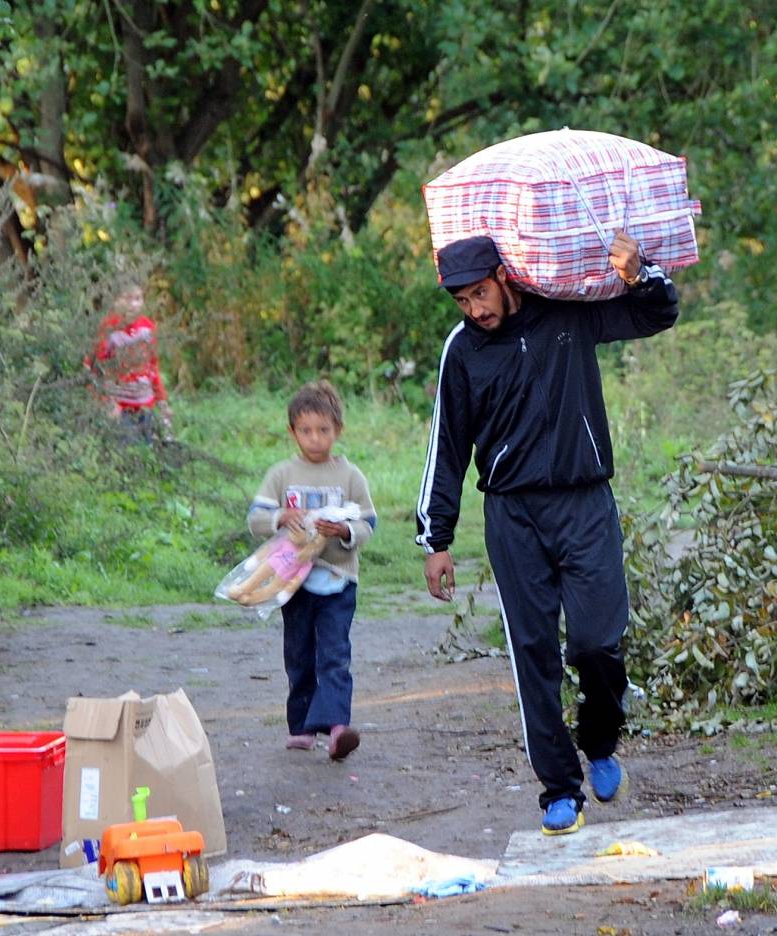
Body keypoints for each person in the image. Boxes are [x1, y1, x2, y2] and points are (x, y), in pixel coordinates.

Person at [416, 232, 679, 835]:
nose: (474, 309)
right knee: (532, 654)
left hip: (586, 504)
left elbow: (655, 313)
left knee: (596, 641)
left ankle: (601, 739)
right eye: (461, 301)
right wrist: (436, 539)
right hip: (513, 518)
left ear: (505, 276)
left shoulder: (567, 313)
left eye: (480, 293)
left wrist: (639, 272)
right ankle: (560, 789)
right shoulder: (462, 352)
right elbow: (447, 446)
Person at [247, 380, 378, 760]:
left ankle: (338, 727)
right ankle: (302, 726)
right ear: (292, 432)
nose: (315, 439)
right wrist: (280, 516)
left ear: (338, 430)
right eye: (306, 431)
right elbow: (255, 519)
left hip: (339, 581)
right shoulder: (282, 474)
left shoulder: (350, 476)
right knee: (300, 653)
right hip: (294, 582)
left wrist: (345, 530)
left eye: (324, 430)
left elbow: (369, 524)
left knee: (335, 653)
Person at [85, 283, 175, 443]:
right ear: (115, 301)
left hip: (144, 404)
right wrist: (107, 402)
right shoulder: (108, 329)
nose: (133, 305)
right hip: (119, 407)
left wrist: (161, 400)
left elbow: (152, 366)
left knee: (148, 448)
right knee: (123, 449)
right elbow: (93, 367)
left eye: (137, 299)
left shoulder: (147, 327)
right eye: (127, 299)